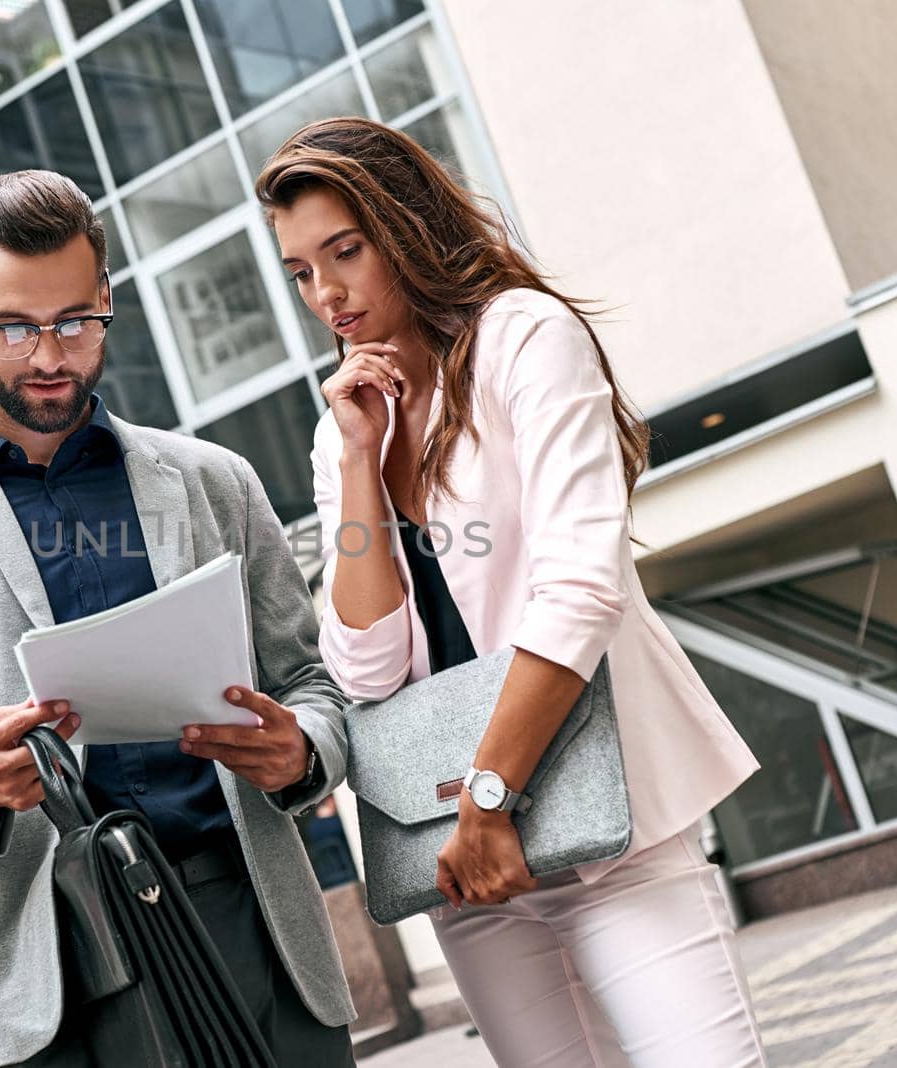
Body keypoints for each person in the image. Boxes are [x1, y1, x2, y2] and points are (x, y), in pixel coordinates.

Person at [0, 169, 356, 1067]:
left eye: (75, 321)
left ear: (106, 297)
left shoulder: (216, 480)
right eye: (14, 328)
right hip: (50, 972)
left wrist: (303, 750)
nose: (49, 356)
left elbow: (312, 683)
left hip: (252, 930)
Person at [256, 118, 766, 1068]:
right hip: (460, 864)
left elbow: (580, 591)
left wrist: (489, 804)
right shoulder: (343, 430)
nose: (326, 294)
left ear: (404, 226)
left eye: (345, 252)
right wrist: (363, 462)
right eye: (299, 272)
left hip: (602, 824)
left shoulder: (523, 338)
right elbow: (366, 665)